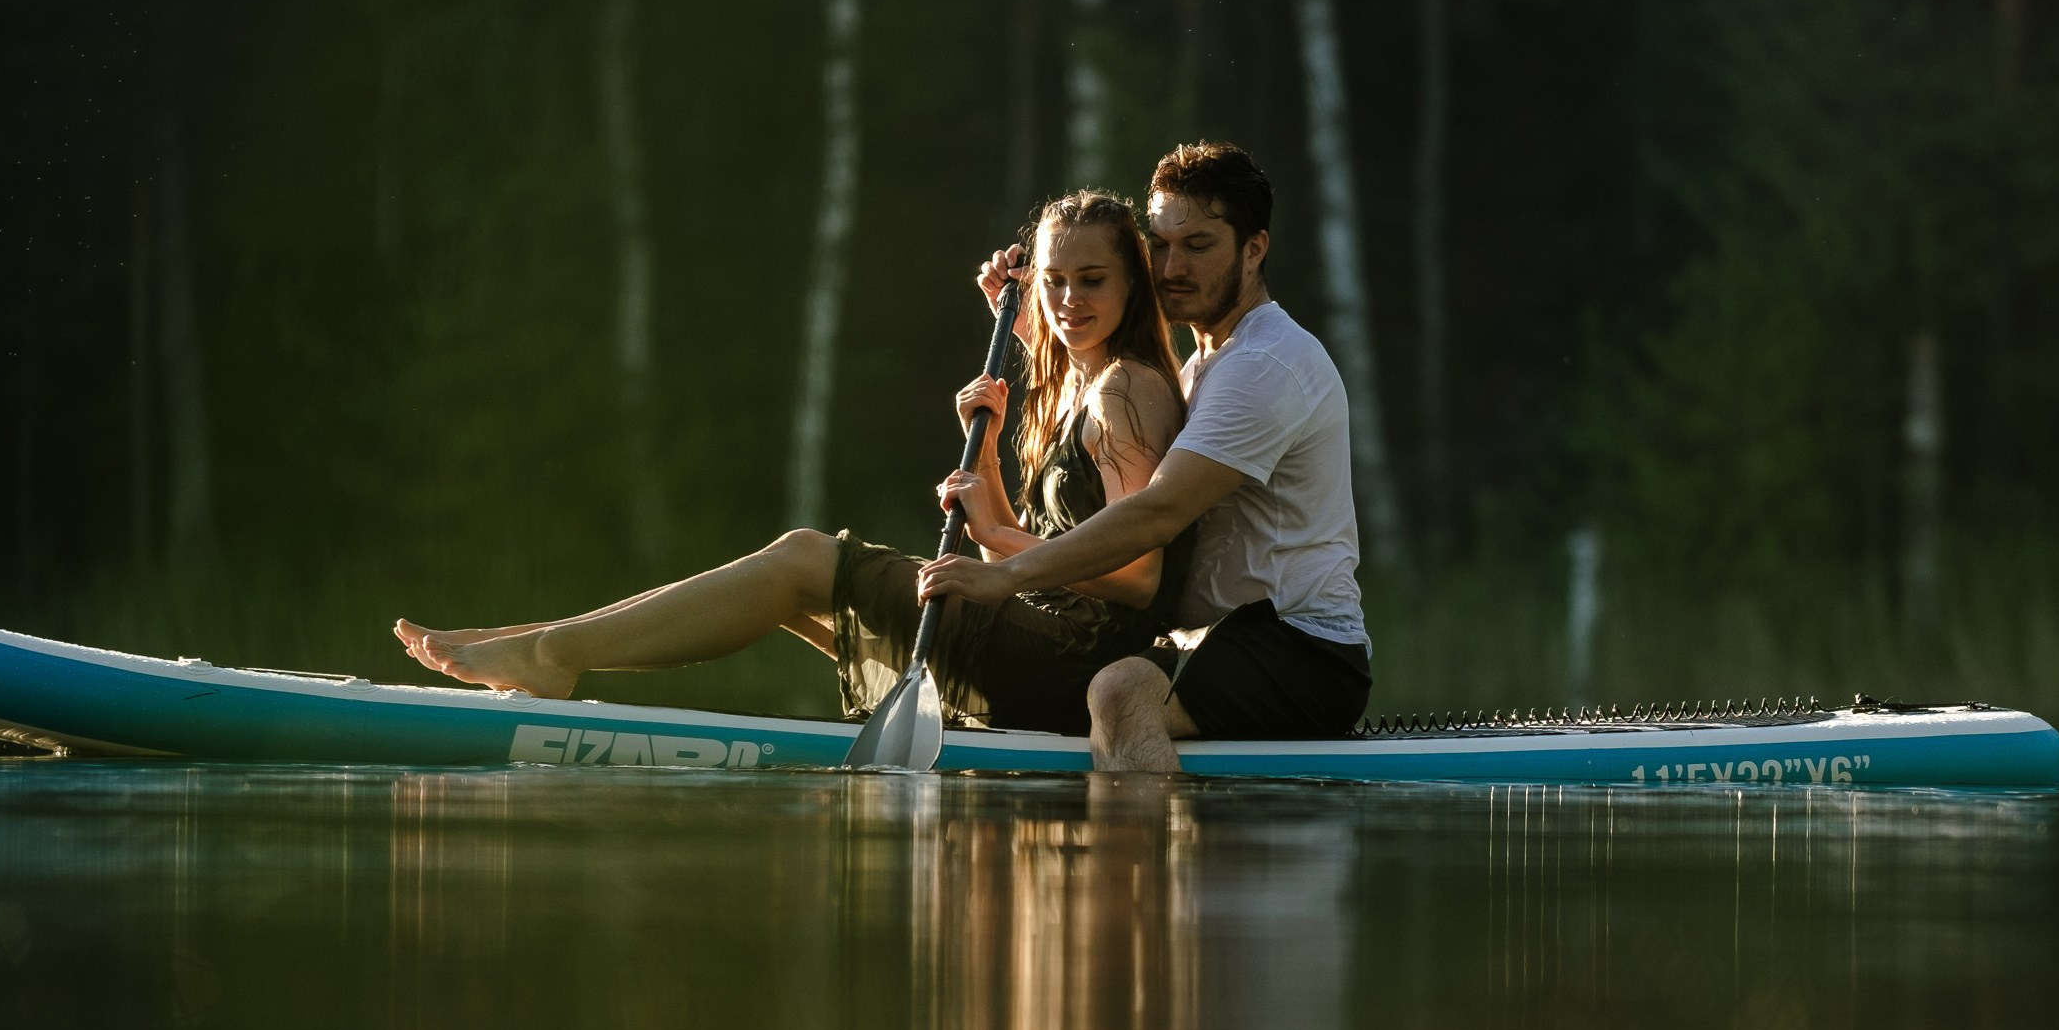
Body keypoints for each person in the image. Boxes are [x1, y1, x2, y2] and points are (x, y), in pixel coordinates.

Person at [391, 189, 1190, 732]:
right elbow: (1001, 549)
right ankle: (543, 642)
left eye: (1092, 281)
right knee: (789, 587)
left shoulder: (1126, 391)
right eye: (1052, 280)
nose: (1068, 300)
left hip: (1081, 665)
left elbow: (1135, 579)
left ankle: (548, 656)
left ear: (1133, 288)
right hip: (1040, 635)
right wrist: (986, 449)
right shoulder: (1082, 382)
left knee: (804, 560)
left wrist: (1001, 540)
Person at [917, 138, 1371, 773]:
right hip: (1210, 644)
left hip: (1302, 648)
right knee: (1109, 680)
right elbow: (1099, 381)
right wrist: (1035, 316)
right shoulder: (1201, 367)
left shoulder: (1263, 364)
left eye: (1198, 245)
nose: (1171, 266)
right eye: (1158, 244)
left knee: (1118, 689)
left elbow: (1158, 513)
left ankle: (1147, 869)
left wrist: (1008, 573)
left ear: (1254, 249)